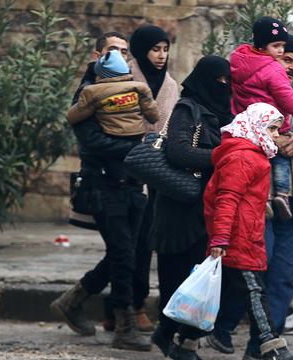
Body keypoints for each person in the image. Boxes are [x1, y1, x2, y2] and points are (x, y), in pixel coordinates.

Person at [206, 35, 293, 360]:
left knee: (283, 277)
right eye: (287, 59)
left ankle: (262, 349)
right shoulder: (248, 95)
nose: (292, 67)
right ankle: (221, 328)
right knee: (251, 274)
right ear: (270, 58)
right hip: (256, 207)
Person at [50, 32, 151, 352]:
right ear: (97, 56)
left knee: (127, 254)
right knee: (123, 254)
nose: (120, 56)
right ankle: (124, 328)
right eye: (113, 50)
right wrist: (136, 147)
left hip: (132, 185)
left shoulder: (132, 94)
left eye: (125, 51)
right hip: (105, 185)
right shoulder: (88, 95)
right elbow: (93, 143)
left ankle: (73, 300)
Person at [200, 103, 293, 360]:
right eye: (271, 128)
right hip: (235, 238)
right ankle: (273, 349)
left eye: (276, 129)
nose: (274, 135)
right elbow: (226, 199)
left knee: (232, 293)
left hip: (245, 236)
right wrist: (221, 238)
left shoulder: (253, 154)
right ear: (255, 125)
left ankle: (181, 339)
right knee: (255, 293)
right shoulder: (243, 156)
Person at [144, 56, 233, 359]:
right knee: (177, 275)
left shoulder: (225, 112)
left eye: (227, 80)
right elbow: (180, 152)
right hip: (179, 208)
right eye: (219, 80)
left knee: (198, 276)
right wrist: (222, 156)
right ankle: (173, 337)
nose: (224, 86)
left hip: (206, 207)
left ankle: (174, 336)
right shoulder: (187, 108)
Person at [98, 24, 181, 332]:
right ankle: (125, 306)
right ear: (141, 49)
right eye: (154, 49)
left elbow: (169, 126)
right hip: (122, 169)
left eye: (165, 49)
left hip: (156, 171)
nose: (160, 56)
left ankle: (125, 305)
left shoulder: (170, 85)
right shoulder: (122, 77)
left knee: (143, 241)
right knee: (124, 246)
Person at [229, 16, 293, 220]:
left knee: (259, 160)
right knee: (279, 159)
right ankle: (281, 195)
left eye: (282, 46)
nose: (280, 51)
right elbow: (286, 97)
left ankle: (265, 198)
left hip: (246, 124)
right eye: (277, 47)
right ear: (262, 45)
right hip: (272, 123)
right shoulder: (272, 69)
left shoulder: (239, 60)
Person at [66, 49, 160, 136]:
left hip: (111, 135)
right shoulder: (140, 88)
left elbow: (73, 117)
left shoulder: (93, 91)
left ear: (100, 74)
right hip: (137, 135)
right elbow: (153, 116)